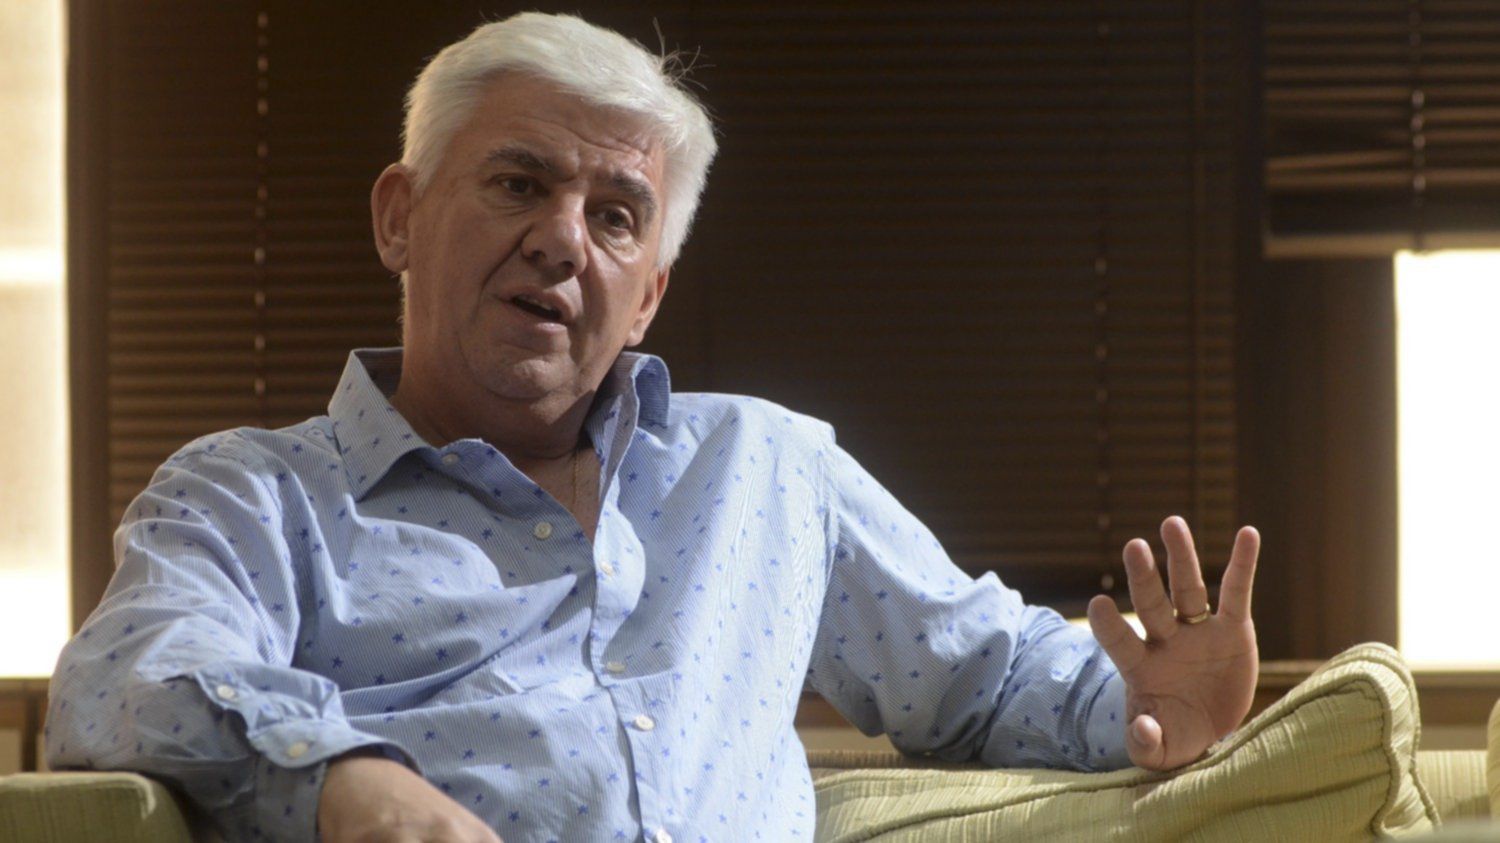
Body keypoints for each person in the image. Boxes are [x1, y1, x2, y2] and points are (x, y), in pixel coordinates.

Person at [45, 12, 1260, 843]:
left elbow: (984, 676)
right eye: (519, 183)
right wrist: (348, 783)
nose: (563, 240)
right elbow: (128, 677)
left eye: (617, 215)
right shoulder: (251, 498)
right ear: (399, 216)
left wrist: (1145, 704)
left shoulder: (768, 470)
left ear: (648, 298)